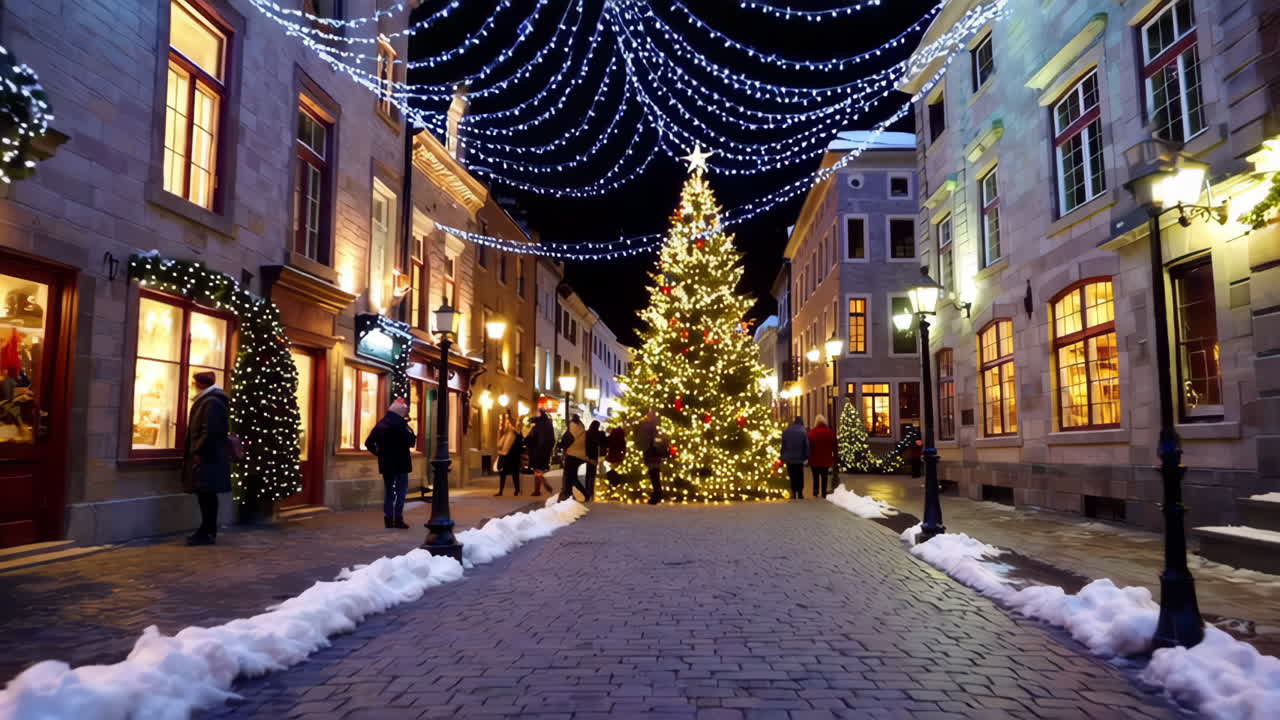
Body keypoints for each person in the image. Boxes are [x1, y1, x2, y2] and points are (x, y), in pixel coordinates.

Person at [182, 371, 231, 545]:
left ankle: (207, 532)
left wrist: (197, 451)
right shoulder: (208, 400)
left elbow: (210, 431)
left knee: (207, 495)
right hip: (208, 457)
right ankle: (207, 530)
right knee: (206, 495)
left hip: (207, 458)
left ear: (201, 384)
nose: (192, 386)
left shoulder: (211, 402)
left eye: (194, 383)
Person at [365, 397, 416, 529]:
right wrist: (409, 427)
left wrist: (380, 454)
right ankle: (398, 519)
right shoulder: (402, 426)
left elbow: (368, 443)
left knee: (389, 491)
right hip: (402, 464)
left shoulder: (381, 425)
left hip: (387, 464)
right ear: (400, 412)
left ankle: (388, 519)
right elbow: (412, 442)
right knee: (401, 492)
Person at [635, 410, 665, 504]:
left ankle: (657, 494)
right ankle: (657, 493)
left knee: (654, 474)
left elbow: (643, 439)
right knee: (655, 474)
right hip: (653, 453)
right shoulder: (654, 426)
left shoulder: (645, 426)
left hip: (651, 452)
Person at [558, 414, 590, 501]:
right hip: (580, 455)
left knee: (569, 476)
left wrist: (560, 445)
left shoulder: (571, 427)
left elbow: (566, 440)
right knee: (572, 476)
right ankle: (573, 494)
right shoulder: (581, 426)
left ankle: (567, 494)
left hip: (572, 454)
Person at [526, 410, 555, 496]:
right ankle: (537, 490)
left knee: (537, 470)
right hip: (545, 451)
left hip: (536, 450)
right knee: (539, 469)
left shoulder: (536, 425)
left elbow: (530, 438)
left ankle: (544, 484)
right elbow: (552, 440)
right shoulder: (549, 425)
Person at [780, 416, 809, 500]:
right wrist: (807, 456)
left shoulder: (787, 430)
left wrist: (782, 455)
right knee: (799, 475)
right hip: (800, 458)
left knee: (792, 475)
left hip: (789, 457)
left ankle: (793, 492)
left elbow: (783, 444)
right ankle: (800, 492)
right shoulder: (803, 431)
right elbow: (806, 445)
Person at [494, 414, 524, 497]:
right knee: (504, 474)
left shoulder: (516, 433)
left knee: (513, 474)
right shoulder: (506, 434)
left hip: (512, 457)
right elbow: (499, 444)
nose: (507, 425)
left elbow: (520, 444)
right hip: (506, 456)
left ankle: (516, 490)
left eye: (508, 423)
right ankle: (502, 491)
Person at [807, 414, 836, 498]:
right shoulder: (830, 432)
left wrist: (808, 457)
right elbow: (834, 445)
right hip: (826, 459)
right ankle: (823, 492)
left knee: (815, 477)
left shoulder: (811, 433)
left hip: (814, 459)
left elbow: (808, 446)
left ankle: (815, 491)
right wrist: (835, 456)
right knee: (824, 477)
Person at [583, 419, 607, 501]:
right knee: (592, 473)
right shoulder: (598, 434)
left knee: (588, 473)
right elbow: (603, 442)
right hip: (595, 455)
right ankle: (591, 490)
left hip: (588, 455)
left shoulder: (587, 433)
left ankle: (587, 489)